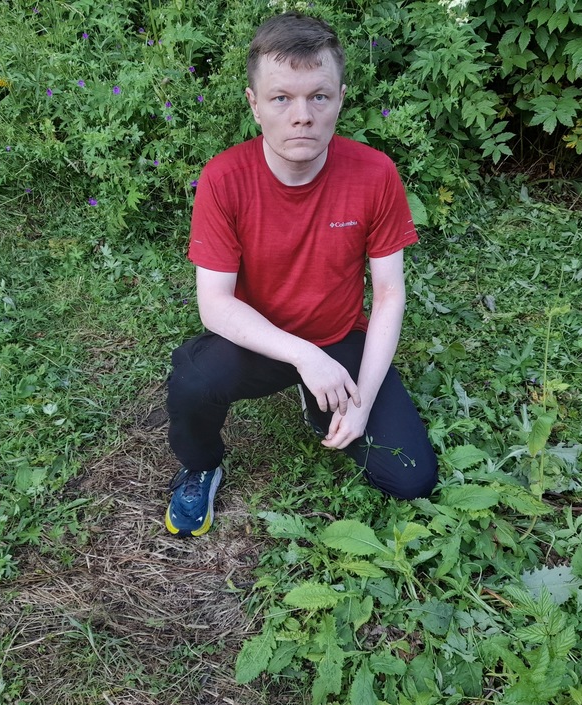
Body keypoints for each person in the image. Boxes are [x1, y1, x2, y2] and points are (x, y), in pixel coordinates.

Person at [165, 11, 438, 537]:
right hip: (260, 341)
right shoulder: (223, 178)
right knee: (195, 380)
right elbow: (215, 303)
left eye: (319, 96)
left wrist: (360, 401)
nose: (302, 117)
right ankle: (201, 466)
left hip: (340, 336)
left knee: (411, 479)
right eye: (281, 98)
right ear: (254, 105)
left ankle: (323, 404)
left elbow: (388, 294)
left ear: (340, 99)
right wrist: (303, 356)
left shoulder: (375, 173)